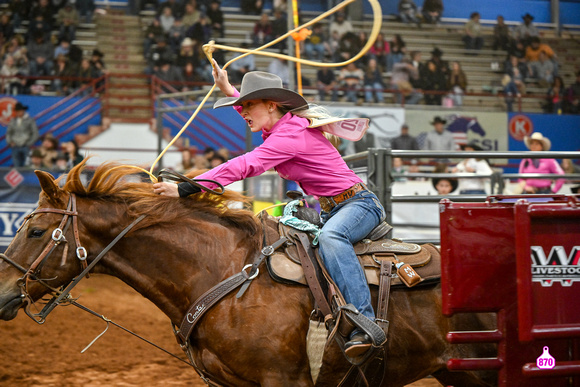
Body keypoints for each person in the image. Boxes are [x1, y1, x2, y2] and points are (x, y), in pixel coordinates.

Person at [152, 66, 387, 356]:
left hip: (359, 205)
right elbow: (255, 121)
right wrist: (230, 92)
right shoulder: (283, 127)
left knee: (331, 238)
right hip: (335, 207)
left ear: (271, 105)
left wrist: (187, 188)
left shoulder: (288, 136)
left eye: (248, 105)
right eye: (243, 106)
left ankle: (364, 321)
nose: (243, 112)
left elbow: (244, 165)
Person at [7, 103, 39, 167]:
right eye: (17, 111)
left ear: (23, 111)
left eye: (20, 111)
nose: (18, 113)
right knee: (16, 165)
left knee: (26, 165)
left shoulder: (30, 120)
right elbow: (9, 133)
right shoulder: (13, 121)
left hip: (25, 145)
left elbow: (35, 133)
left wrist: (29, 143)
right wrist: (10, 142)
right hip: (15, 145)